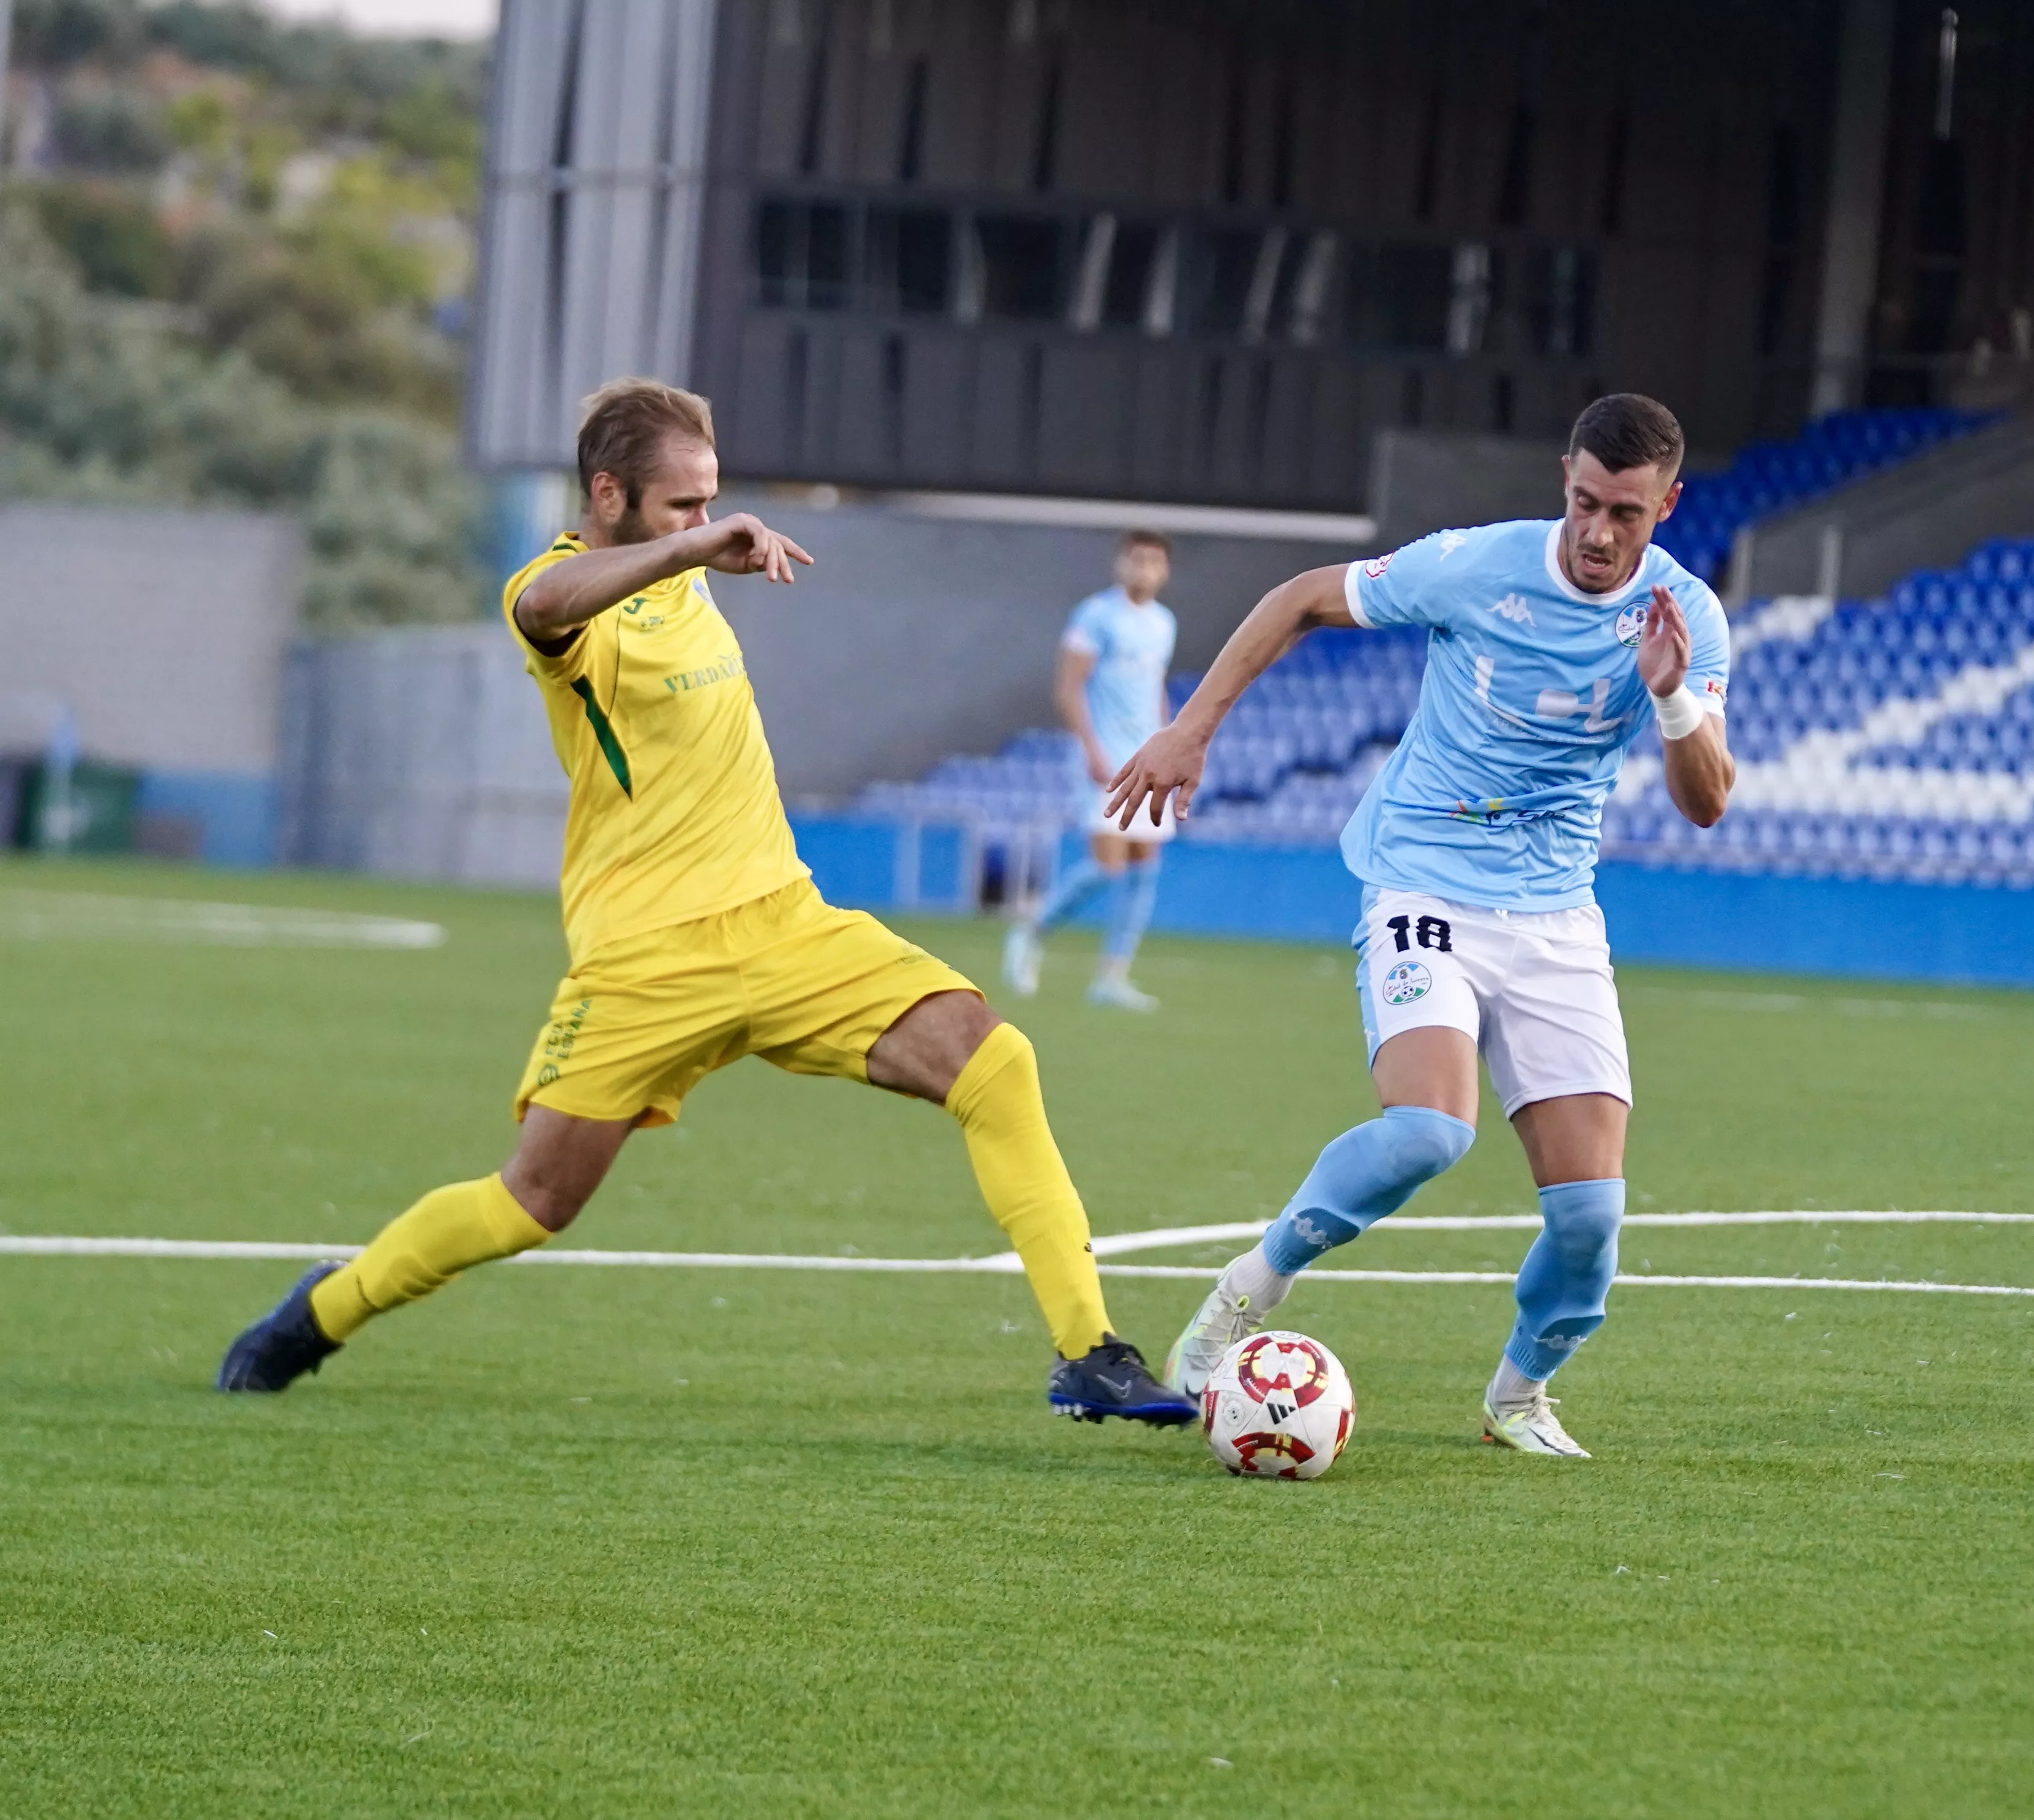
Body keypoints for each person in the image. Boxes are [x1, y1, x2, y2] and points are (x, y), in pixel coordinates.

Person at [215, 379, 1193, 1425]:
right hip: (646, 961)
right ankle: (327, 1305)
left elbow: (688, 559)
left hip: (785, 924)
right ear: (608, 495)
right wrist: (689, 547)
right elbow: (545, 608)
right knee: (531, 1203)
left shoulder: (691, 568)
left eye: (710, 500)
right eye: (682, 503)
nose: (706, 520)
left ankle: (1088, 1351)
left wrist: (694, 546)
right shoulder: (558, 596)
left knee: (994, 1062)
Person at [1110, 394, 1734, 1458]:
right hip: (1425, 882)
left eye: (1622, 514)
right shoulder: (1479, 565)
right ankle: (1239, 1300)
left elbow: (1707, 800)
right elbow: (1305, 597)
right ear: (1563, 481)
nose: (1594, 532)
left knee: (1589, 1219)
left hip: (1555, 917)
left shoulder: (1687, 618)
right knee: (1427, 1131)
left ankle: (1517, 1398)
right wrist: (1188, 727)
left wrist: (1672, 702)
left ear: (1665, 505)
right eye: (1582, 501)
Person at [1005, 530, 1179, 1012]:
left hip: (1148, 758)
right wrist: (1090, 748)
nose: (1145, 569)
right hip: (1105, 756)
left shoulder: (1164, 623)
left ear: (1165, 571)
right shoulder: (1096, 616)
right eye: (1137, 559)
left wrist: (1169, 746)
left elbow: (1155, 688)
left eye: (1154, 562)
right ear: (1120, 564)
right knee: (1108, 865)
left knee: (1146, 867)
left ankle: (1111, 977)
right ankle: (1031, 930)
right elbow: (1068, 687)